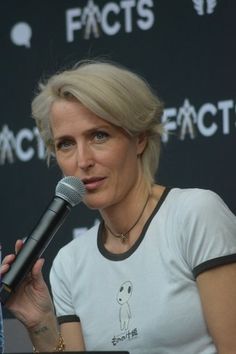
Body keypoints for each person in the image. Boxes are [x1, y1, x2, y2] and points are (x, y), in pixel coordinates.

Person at [1, 60, 236, 354]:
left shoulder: (194, 215)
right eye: (65, 144)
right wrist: (40, 324)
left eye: (99, 136)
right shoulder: (69, 264)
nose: (82, 161)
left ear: (139, 138)